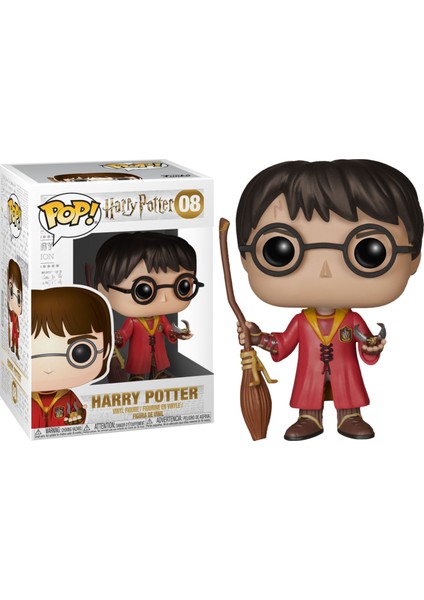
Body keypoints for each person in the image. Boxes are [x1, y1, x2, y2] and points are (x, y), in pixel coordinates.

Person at [236, 160, 422, 440]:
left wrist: (372, 347)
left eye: (369, 252)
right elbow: (282, 345)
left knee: (348, 392)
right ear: (245, 258)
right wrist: (257, 337)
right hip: (310, 376)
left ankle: (350, 415)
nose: (325, 271)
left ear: (414, 258)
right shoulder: (301, 322)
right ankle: (309, 417)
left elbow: (366, 346)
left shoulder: (352, 320)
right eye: (281, 251)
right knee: (308, 396)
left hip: (345, 375)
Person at [95, 231, 203, 381]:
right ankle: (137, 377)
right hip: (139, 353)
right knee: (139, 367)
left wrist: (177, 333)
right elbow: (124, 334)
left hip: (158, 351)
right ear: (104, 292)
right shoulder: (133, 321)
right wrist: (117, 337)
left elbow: (168, 330)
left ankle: (157, 374)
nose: (164, 298)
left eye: (182, 286)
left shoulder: (161, 318)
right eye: (143, 290)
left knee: (158, 365)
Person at [31, 286, 112, 429]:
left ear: (106, 350)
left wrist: (76, 417)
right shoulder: (26, 396)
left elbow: (78, 415)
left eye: (81, 353)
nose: (49, 369)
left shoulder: (69, 396)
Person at [8, 259, 23, 360]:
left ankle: (16, 349)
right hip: (13, 329)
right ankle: (13, 348)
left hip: (15, 330)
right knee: (13, 338)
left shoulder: (15, 314)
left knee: (16, 339)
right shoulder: (11, 311)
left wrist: (18, 328)